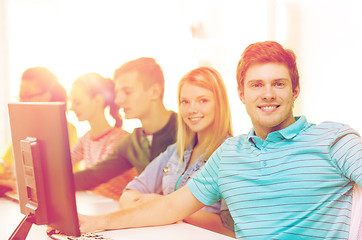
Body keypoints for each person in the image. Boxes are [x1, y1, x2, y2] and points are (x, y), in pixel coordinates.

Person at [78, 41, 362, 240]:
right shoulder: (229, 154)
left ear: (295, 90)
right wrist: (95, 223)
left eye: (279, 83)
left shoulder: (333, 138)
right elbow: (168, 207)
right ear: (241, 94)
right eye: (256, 85)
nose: (267, 94)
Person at [119, 66, 234, 237]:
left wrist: (166, 207)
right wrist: (159, 207)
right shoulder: (175, 152)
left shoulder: (232, 155)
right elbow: (128, 195)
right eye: (185, 102)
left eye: (203, 100)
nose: (192, 109)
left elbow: (230, 230)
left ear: (220, 104)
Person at [74, 57, 177, 191]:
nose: (118, 100)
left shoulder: (188, 131)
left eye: (127, 92)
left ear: (155, 92)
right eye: (117, 93)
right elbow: (94, 175)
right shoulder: (133, 143)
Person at [0, 67, 77, 193]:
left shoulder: (66, 130)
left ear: (46, 96)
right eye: (20, 97)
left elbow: (58, 175)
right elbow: (4, 163)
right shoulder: (23, 130)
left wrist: (18, 177)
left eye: (27, 96)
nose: (22, 102)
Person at [69, 73, 136, 200]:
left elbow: (98, 178)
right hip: (96, 205)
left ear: (98, 101)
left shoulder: (119, 139)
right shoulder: (86, 139)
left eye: (77, 102)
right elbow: (65, 163)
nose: (71, 107)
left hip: (118, 208)